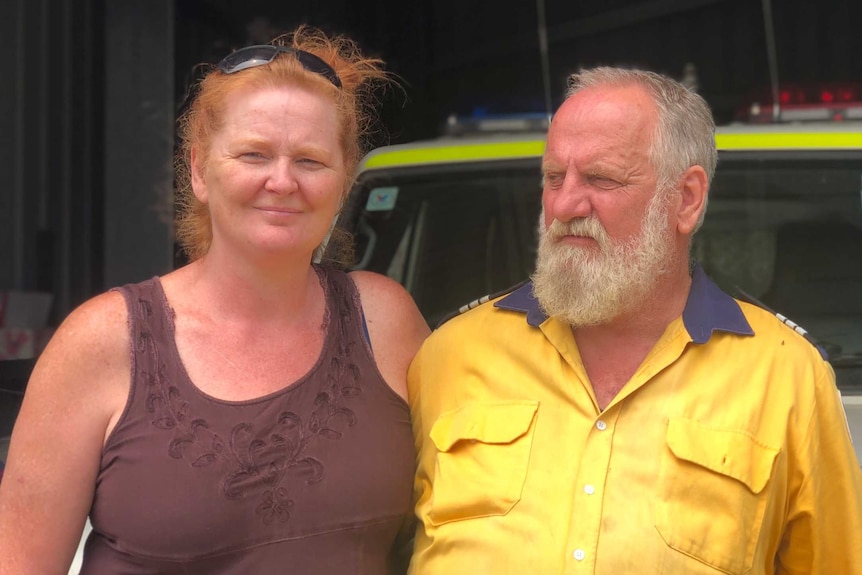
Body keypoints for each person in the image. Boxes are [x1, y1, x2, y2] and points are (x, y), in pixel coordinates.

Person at [0, 26, 429, 574]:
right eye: (253, 154)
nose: (281, 181)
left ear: (345, 179)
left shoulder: (385, 322)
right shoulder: (103, 341)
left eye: (311, 161)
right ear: (200, 170)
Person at [407, 67, 862, 574]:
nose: (565, 204)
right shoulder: (447, 357)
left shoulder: (787, 377)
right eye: (554, 177)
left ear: (686, 199)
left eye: (600, 179)